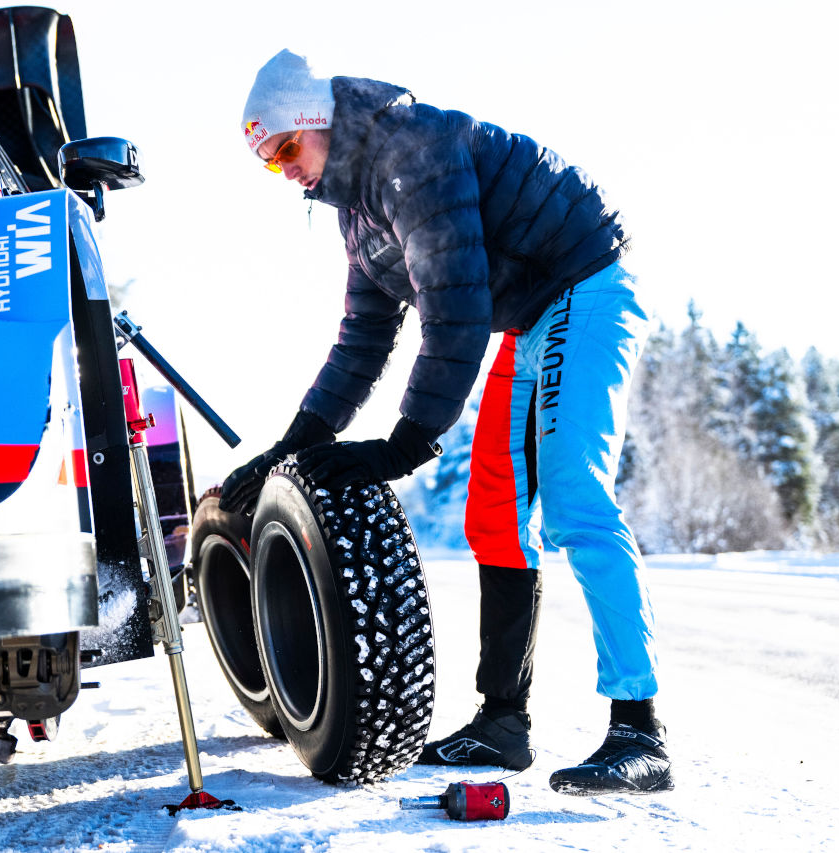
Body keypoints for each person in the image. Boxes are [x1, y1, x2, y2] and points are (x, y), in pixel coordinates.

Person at [219, 49, 672, 796]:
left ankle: (639, 728)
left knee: (573, 498)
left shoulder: (412, 149)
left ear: (315, 121)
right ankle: (502, 724)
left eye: (287, 148)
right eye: (269, 162)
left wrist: (404, 443)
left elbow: (453, 307)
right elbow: (364, 338)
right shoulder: (358, 210)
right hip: (529, 319)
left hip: (585, 280)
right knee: (494, 510)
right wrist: (293, 444)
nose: (285, 170)